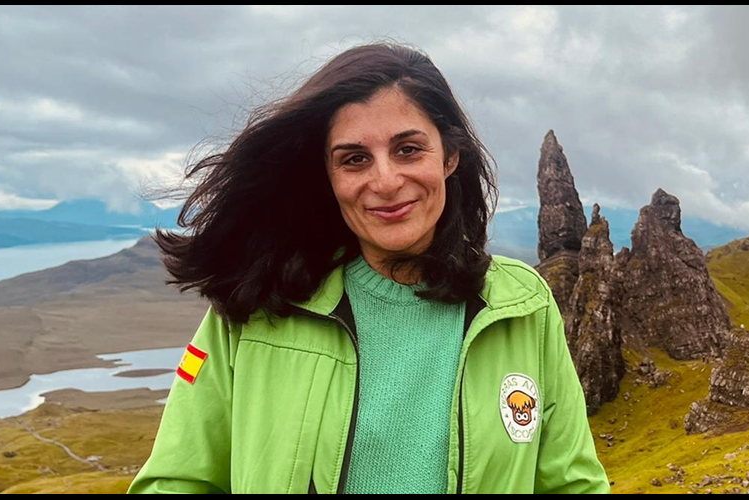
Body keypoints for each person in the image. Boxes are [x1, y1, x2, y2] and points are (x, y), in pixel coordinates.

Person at [128, 42, 609, 494]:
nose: (385, 180)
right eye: (355, 159)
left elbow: (571, 483)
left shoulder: (522, 304)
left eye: (408, 149)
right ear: (329, 178)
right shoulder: (257, 304)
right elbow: (176, 480)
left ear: (450, 156)